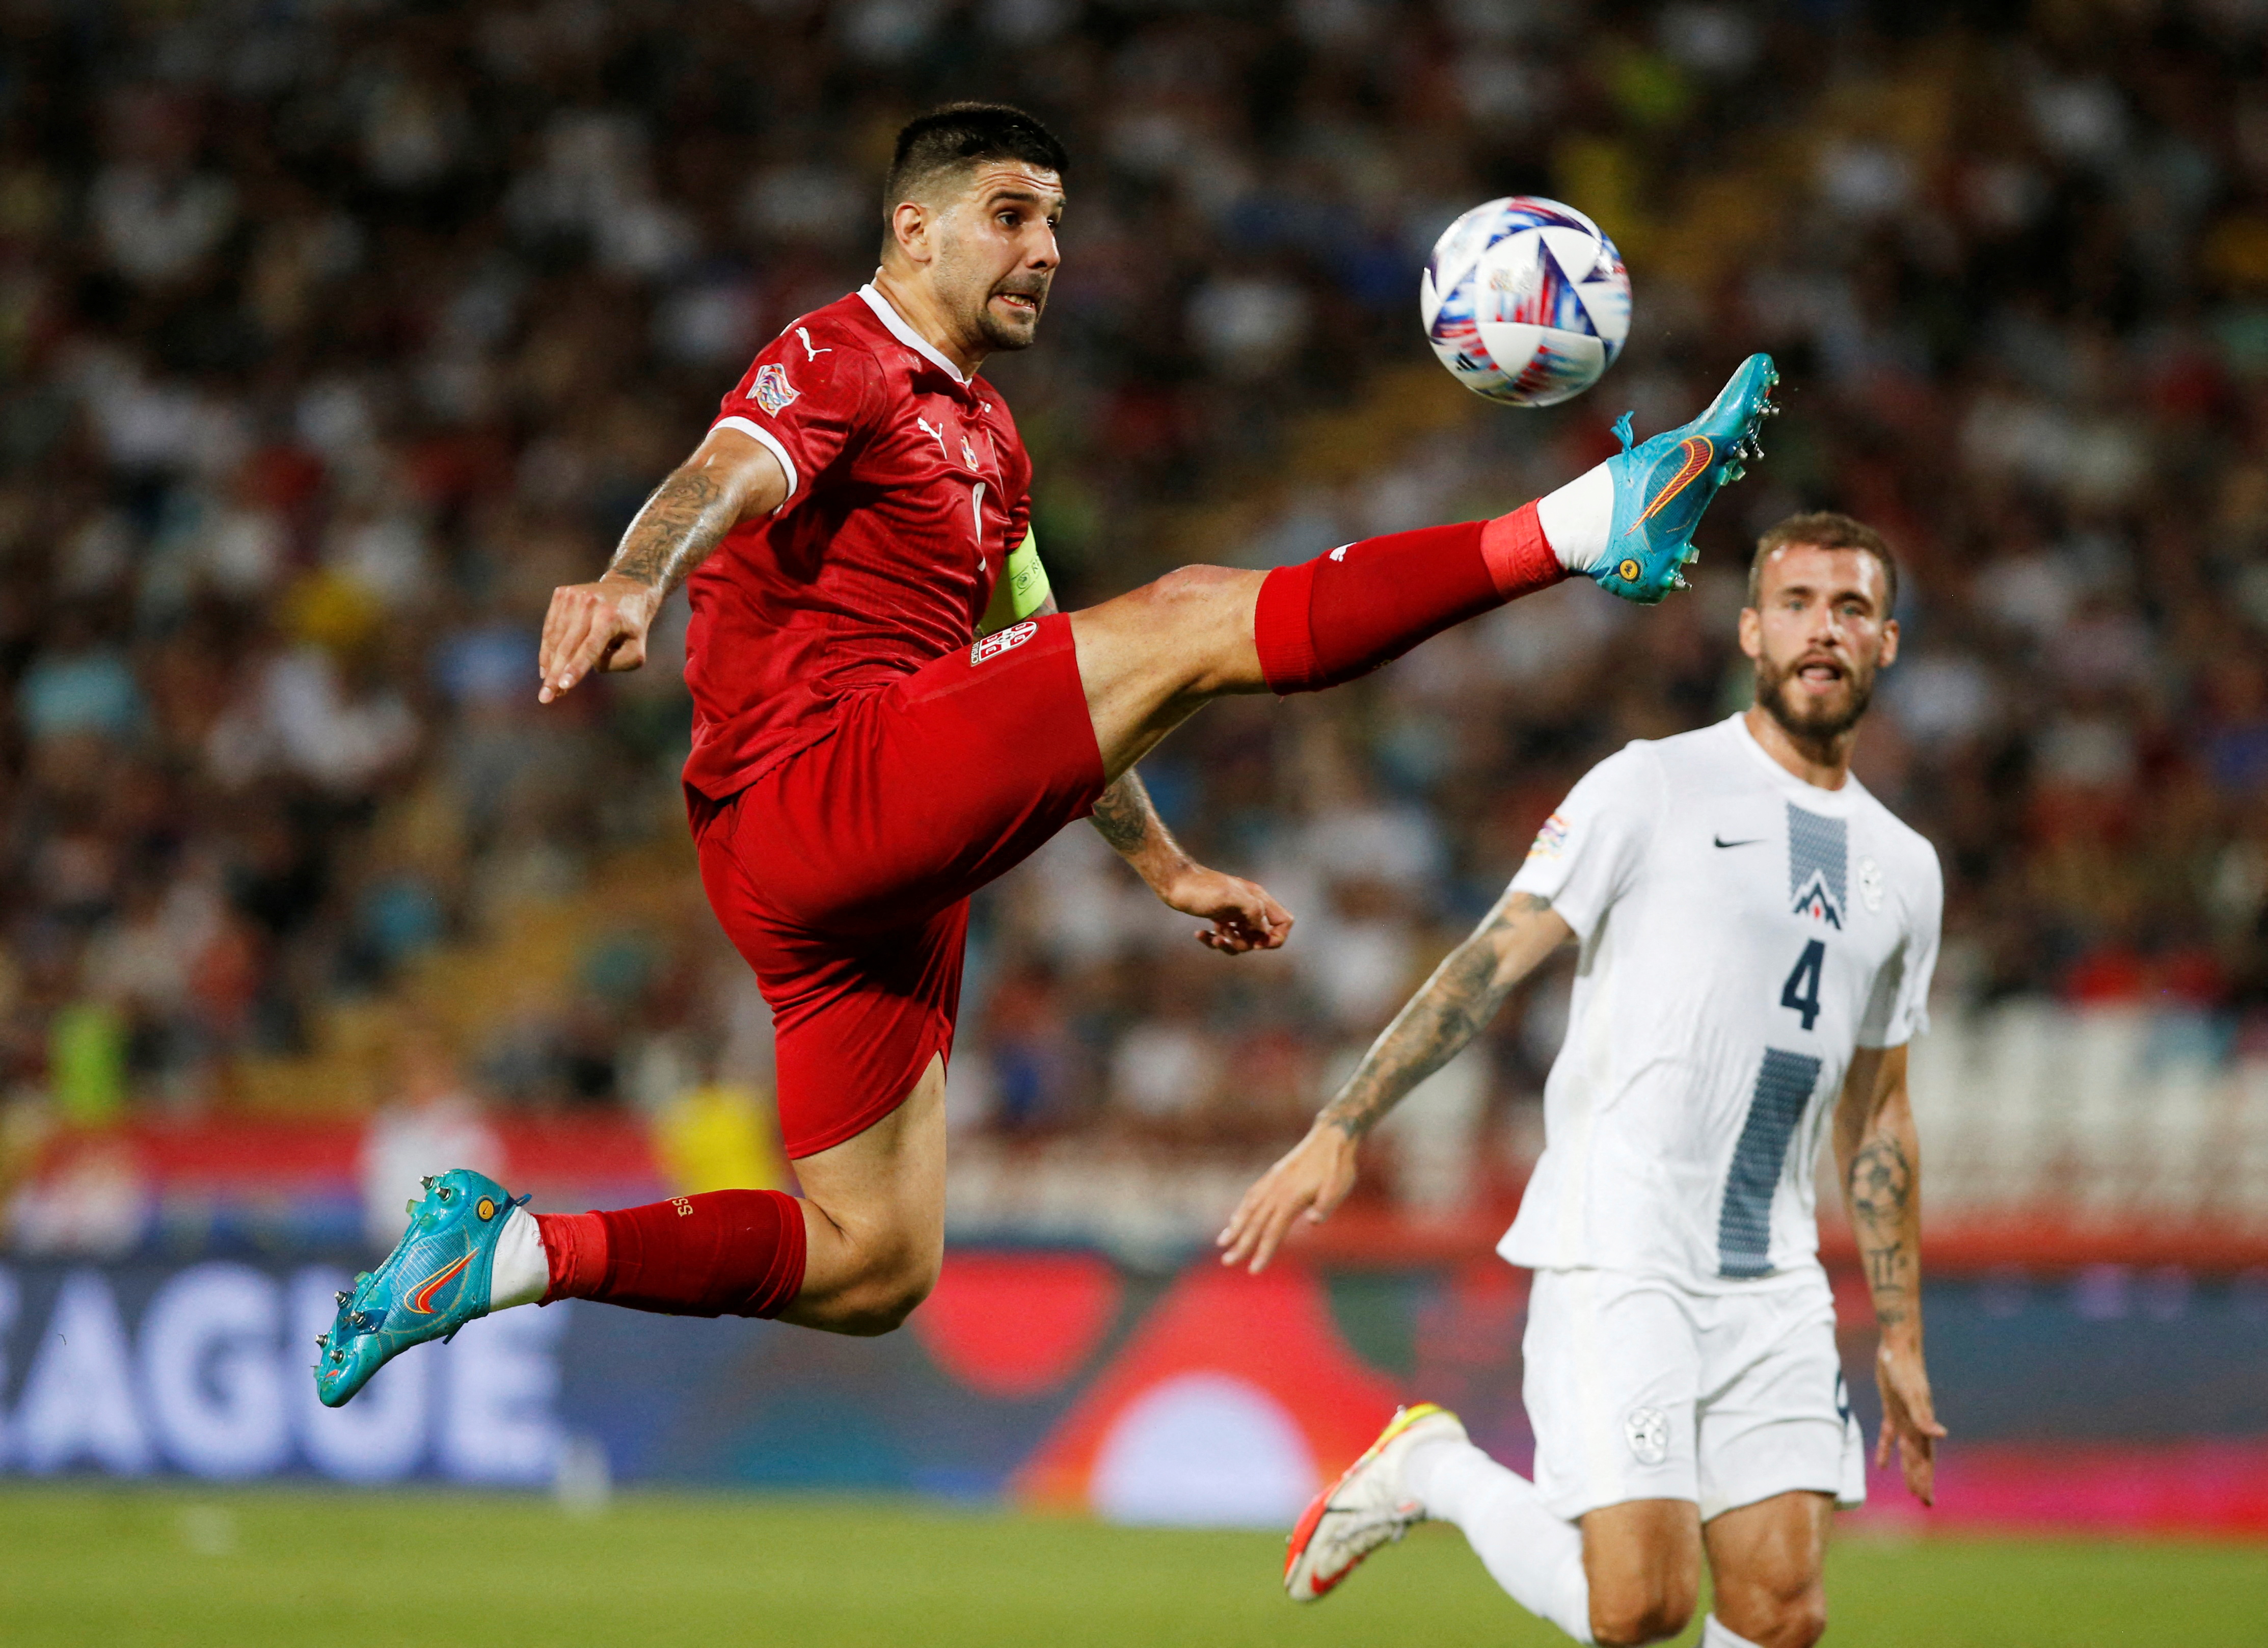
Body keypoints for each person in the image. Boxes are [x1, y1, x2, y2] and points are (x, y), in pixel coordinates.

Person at [313, 103, 1779, 1406]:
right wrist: (634, 576)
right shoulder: (839, 354)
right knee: (1196, 611)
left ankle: (507, 1251)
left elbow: (1053, 672)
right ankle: (1586, 522)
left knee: (874, 1263)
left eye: (1058, 222)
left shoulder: (993, 446)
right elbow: (722, 473)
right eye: (1011, 215)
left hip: (873, 871)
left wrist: (1159, 863)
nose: (1046, 249)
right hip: (815, 787)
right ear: (915, 228)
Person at [1223, 513, 1943, 1648]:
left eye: (1851, 609)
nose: (1824, 631)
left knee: (1782, 1615)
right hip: (1624, 1246)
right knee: (1643, 1608)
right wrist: (1345, 1121)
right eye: (1798, 604)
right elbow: (1490, 961)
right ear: (1753, 631)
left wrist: (1899, 1333)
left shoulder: (1906, 868)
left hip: (1773, 1276)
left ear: (1886, 643)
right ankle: (1434, 1467)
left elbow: (1881, 1108)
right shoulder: (1653, 786)